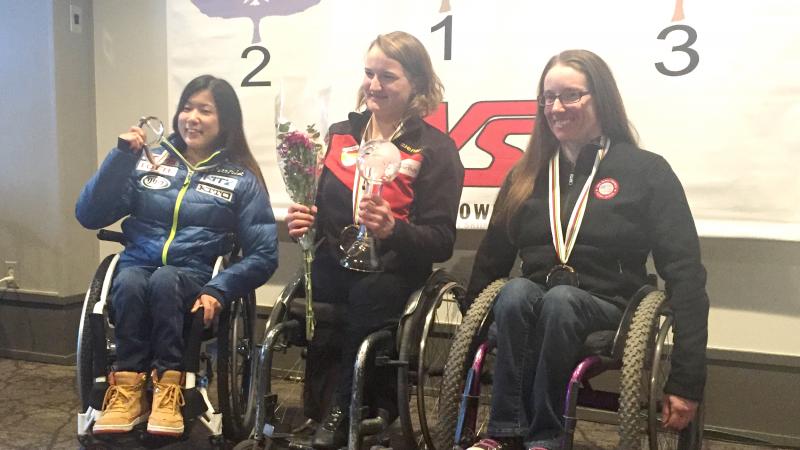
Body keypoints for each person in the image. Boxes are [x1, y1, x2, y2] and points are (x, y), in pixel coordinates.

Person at [464, 50, 709, 450]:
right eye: (548, 98)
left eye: (570, 96)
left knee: (560, 301)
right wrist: (469, 338)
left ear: (601, 99)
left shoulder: (646, 171)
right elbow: (491, 259)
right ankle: (504, 434)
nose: (556, 108)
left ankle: (546, 438)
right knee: (515, 291)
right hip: (531, 303)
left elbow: (685, 275)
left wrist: (686, 379)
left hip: (609, 304)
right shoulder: (527, 174)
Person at [286, 31, 464, 449]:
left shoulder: (435, 149)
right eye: (369, 74)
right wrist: (305, 221)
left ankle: (344, 408)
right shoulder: (338, 134)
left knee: (368, 293)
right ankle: (318, 402)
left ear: (417, 85)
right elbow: (318, 206)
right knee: (311, 291)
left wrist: (392, 229)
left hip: (393, 267)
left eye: (389, 77)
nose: (375, 85)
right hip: (336, 258)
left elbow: (441, 241)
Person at [75, 75, 278, 437]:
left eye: (205, 110)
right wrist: (121, 157)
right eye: (187, 108)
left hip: (194, 275)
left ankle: (171, 388)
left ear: (225, 121)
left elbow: (263, 254)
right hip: (137, 267)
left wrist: (219, 289)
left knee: (166, 278)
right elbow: (89, 214)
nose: (192, 118)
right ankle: (128, 389)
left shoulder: (241, 179)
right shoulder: (147, 163)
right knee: (132, 278)